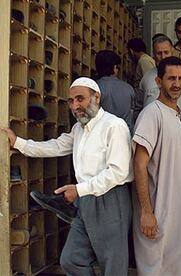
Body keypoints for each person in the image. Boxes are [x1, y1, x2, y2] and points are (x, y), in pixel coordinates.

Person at [2, 77, 133, 275]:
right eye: (71, 101)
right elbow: (55, 146)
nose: (75, 105)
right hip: (86, 201)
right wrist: (18, 143)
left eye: (80, 99)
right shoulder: (79, 129)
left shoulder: (114, 126)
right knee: (71, 259)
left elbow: (117, 172)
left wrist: (78, 190)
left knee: (113, 266)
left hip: (110, 201)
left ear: (96, 97)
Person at [132, 56, 181, 275]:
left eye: (180, 79)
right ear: (158, 81)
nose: (176, 84)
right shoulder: (152, 114)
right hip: (160, 209)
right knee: (161, 266)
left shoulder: (180, 114)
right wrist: (146, 212)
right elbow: (139, 165)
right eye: (170, 79)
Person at [137, 35, 181, 141]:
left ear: (172, 51)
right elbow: (138, 108)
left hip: (178, 133)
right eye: (159, 53)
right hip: (150, 133)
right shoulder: (146, 78)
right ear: (153, 54)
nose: (163, 56)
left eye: (166, 52)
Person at [95, 50, 135, 133]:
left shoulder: (93, 89)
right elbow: (132, 115)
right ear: (115, 68)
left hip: (99, 136)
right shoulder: (129, 89)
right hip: (123, 136)